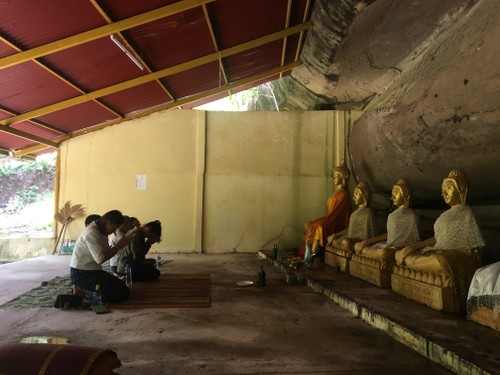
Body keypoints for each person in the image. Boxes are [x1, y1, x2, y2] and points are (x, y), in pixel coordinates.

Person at [395, 169, 484, 313]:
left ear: (461, 189)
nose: (444, 193)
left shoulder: (467, 214)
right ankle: (412, 261)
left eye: (449, 187)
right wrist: (412, 247)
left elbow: (473, 251)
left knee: (440, 261)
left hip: (459, 257)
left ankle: (412, 263)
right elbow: (438, 239)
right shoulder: (444, 216)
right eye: (443, 190)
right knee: (407, 254)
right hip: (440, 252)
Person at [70, 210, 132, 303]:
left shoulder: (101, 230)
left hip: (94, 270)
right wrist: (118, 246)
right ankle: (83, 289)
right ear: (107, 222)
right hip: (81, 273)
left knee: (123, 288)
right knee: (119, 295)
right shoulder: (92, 233)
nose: (114, 231)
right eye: (114, 227)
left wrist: (114, 248)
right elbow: (100, 259)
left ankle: (86, 289)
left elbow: (105, 252)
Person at [354, 178, 420, 260]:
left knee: (383, 253)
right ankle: (372, 254)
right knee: (361, 247)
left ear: (406, 195)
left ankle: (372, 255)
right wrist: (367, 242)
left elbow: (412, 241)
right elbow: (390, 235)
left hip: (400, 248)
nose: (392, 197)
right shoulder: (392, 215)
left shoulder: (412, 216)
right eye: (392, 194)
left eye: (396, 193)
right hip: (389, 245)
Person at [304, 163, 352, 264]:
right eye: (334, 176)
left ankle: (315, 254)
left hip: (337, 223)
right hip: (330, 218)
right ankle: (308, 252)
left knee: (321, 227)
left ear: (342, 177)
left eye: (336, 176)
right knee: (309, 225)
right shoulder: (336, 194)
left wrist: (322, 222)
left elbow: (337, 215)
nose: (333, 178)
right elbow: (329, 214)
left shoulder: (344, 194)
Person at [328, 180, 375, 251]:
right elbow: (350, 230)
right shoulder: (354, 213)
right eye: (354, 194)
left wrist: (363, 243)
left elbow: (370, 235)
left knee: (346, 243)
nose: (354, 197)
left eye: (356, 194)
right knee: (334, 241)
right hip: (350, 240)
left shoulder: (368, 213)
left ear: (364, 195)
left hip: (358, 242)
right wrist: (336, 235)